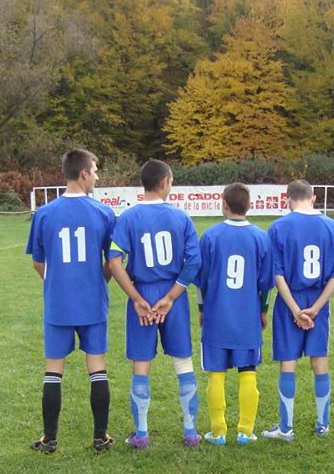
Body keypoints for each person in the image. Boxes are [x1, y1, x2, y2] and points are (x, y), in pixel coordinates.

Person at [107, 160, 203, 448]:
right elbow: (193, 262)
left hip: (143, 293)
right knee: (183, 361)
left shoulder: (128, 217)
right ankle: (190, 432)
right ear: (165, 182)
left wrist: (136, 298)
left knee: (141, 364)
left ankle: (142, 434)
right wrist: (171, 296)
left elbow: (114, 261)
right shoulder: (181, 217)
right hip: (174, 296)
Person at [26, 148, 116, 453]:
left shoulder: (44, 213)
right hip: (92, 301)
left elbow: (38, 262)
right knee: (97, 366)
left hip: (58, 303)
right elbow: (112, 261)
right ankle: (100, 437)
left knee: (54, 371)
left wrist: (56, 284)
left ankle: (50, 439)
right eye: (95, 171)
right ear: (84, 173)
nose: (97, 177)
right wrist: (98, 281)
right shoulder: (103, 213)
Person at [261, 180, 334, 441]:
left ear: (287, 199)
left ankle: (286, 428)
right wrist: (316, 308)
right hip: (319, 299)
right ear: (314, 197)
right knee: (319, 360)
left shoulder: (278, 227)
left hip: (290, 300)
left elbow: (277, 274)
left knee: (288, 362)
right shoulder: (331, 226)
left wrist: (296, 310)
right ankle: (323, 424)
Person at [197, 183, 273, 446]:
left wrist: (202, 310)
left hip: (217, 315)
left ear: (224, 204)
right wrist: (263, 311)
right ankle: (245, 431)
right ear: (249, 206)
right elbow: (266, 284)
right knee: (248, 371)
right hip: (247, 317)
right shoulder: (261, 237)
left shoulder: (210, 236)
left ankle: (218, 432)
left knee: (216, 374)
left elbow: (201, 281)